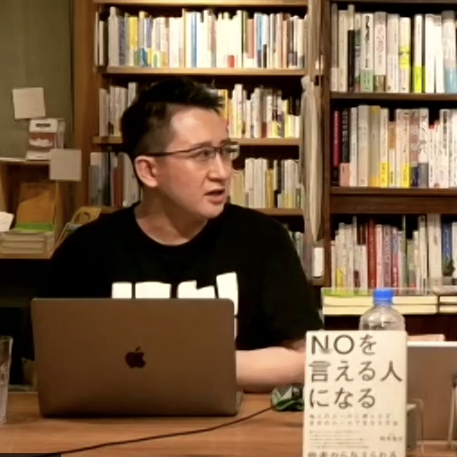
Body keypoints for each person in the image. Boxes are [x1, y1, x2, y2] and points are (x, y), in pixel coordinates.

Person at [40, 78, 322, 392]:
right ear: (148, 170)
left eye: (225, 151)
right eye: (202, 155)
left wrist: (179, 365)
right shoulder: (85, 252)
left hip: (238, 420)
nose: (223, 172)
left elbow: (306, 358)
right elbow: (41, 365)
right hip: (116, 418)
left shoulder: (263, 239)